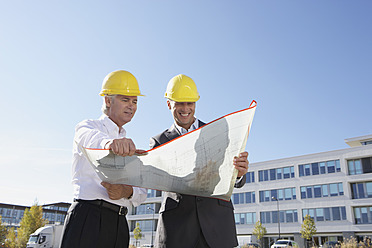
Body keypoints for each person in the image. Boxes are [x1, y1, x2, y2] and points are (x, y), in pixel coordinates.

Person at [150, 74, 249, 248]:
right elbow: (157, 182)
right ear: (169, 104)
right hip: (178, 229)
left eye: (190, 103)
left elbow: (232, 180)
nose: (185, 108)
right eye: (179, 103)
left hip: (217, 225)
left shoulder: (218, 133)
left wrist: (238, 174)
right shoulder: (158, 141)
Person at [60, 70, 148, 248]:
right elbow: (89, 139)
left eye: (135, 101)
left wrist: (126, 192)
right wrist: (110, 144)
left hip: (119, 225)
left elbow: (142, 191)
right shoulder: (88, 127)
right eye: (125, 99)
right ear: (108, 100)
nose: (131, 106)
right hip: (88, 220)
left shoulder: (130, 148)